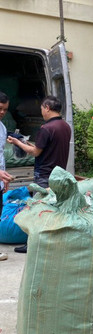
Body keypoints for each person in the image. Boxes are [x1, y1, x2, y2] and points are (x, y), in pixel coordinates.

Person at [7, 95, 71, 254]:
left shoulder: (46, 128)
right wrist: (25, 142)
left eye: (42, 108)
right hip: (59, 175)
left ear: (47, 108)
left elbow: (36, 152)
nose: (41, 112)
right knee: (54, 209)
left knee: (38, 210)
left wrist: (16, 143)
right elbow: (45, 148)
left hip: (44, 176)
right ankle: (52, 242)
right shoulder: (65, 126)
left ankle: (33, 245)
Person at [0, 91, 14, 261]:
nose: (2, 112)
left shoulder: (2, 128)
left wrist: (4, 179)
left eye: (5, 109)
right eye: (0, 108)